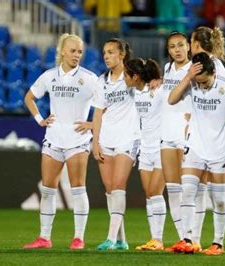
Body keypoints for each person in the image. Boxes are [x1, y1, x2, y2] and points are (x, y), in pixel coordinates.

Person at [168, 52, 225, 256]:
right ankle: (188, 240)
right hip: (195, 145)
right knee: (187, 190)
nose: (201, 86)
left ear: (213, 72)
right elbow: (171, 99)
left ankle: (218, 243)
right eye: (198, 81)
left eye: (204, 81)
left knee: (219, 199)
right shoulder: (193, 82)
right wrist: (188, 77)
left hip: (220, 149)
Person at [23, 33, 99, 250]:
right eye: (73, 51)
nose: (77, 55)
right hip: (54, 138)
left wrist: (92, 124)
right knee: (47, 190)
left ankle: (78, 238)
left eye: (80, 52)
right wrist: (40, 119)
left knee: (77, 188)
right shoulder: (49, 76)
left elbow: (107, 106)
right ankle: (44, 238)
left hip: (78, 140)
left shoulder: (90, 78)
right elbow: (29, 97)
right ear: (63, 51)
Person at [188, 26, 225, 251]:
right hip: (201, 137)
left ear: (196, 44)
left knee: (215, 193)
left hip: (217, 138)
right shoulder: (199, 66)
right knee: (198, 189)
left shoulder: (214, 68)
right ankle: (194, 239)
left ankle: (217, 241)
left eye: (190, 42)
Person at [92, 39, 139, 250]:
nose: (106, 56)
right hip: (106, 139)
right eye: (104, 52)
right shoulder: (102, 81)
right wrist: (95, 142)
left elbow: (150, 85)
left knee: (119, 186)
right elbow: (98, 112)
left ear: (122, 55)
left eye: (111, 52)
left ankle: (110, 238)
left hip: (128, 138)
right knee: (110, 189)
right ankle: (121, 240)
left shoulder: (132, 77)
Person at [124, 58, 167, 251]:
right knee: (149, 195)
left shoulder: (157, 90)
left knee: (156, 193)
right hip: (145, 148)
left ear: (135, 76)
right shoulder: (133, 93)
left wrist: (163, 80)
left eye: (126, 75)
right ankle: (153, 239)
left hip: (161, 147)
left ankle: (159, 239)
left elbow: (177, 87)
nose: (124, 78)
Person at [160, 31, 192, 252]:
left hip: (186, 132)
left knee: (189, 189)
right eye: (172, 47)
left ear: (189, 46)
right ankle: (183, 238)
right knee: (172, 188)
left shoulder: (196, 69)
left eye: (181, 45)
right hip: (167, 131)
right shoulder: (167, 69)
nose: (177, 50)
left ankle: (193, 236)